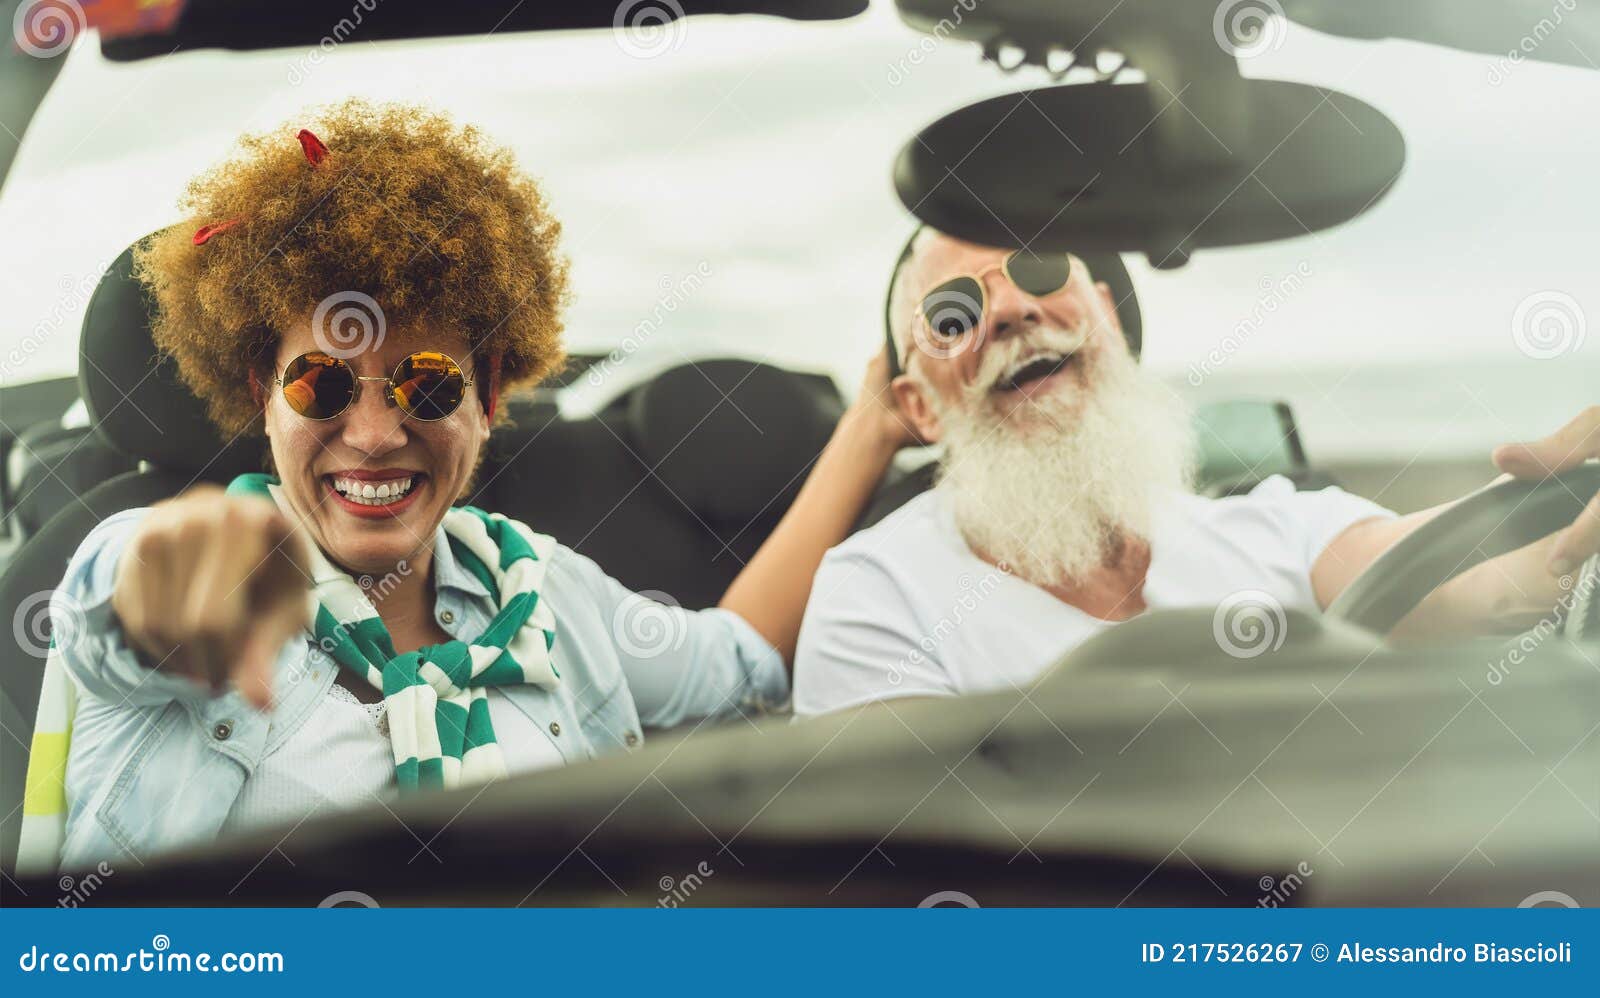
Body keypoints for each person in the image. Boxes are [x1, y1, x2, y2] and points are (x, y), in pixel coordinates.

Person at [21, 100, 913, 871]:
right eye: (321, 383)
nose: (373, 436)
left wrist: (874, 422)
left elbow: (741, 663)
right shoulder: (164, 565)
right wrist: (165, 586)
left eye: (428, 384)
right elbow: (114, 615)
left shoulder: (546, 591)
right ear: (264, 395)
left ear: (486, 398)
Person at [792, 228, 1588, 716]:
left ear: (1106, 313)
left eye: (1039, 269)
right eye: (953, 314)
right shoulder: (875, 596)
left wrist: (1576, 516)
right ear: (919, 407)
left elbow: (1470, 578)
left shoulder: (1276, 527)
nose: (1008, 310)